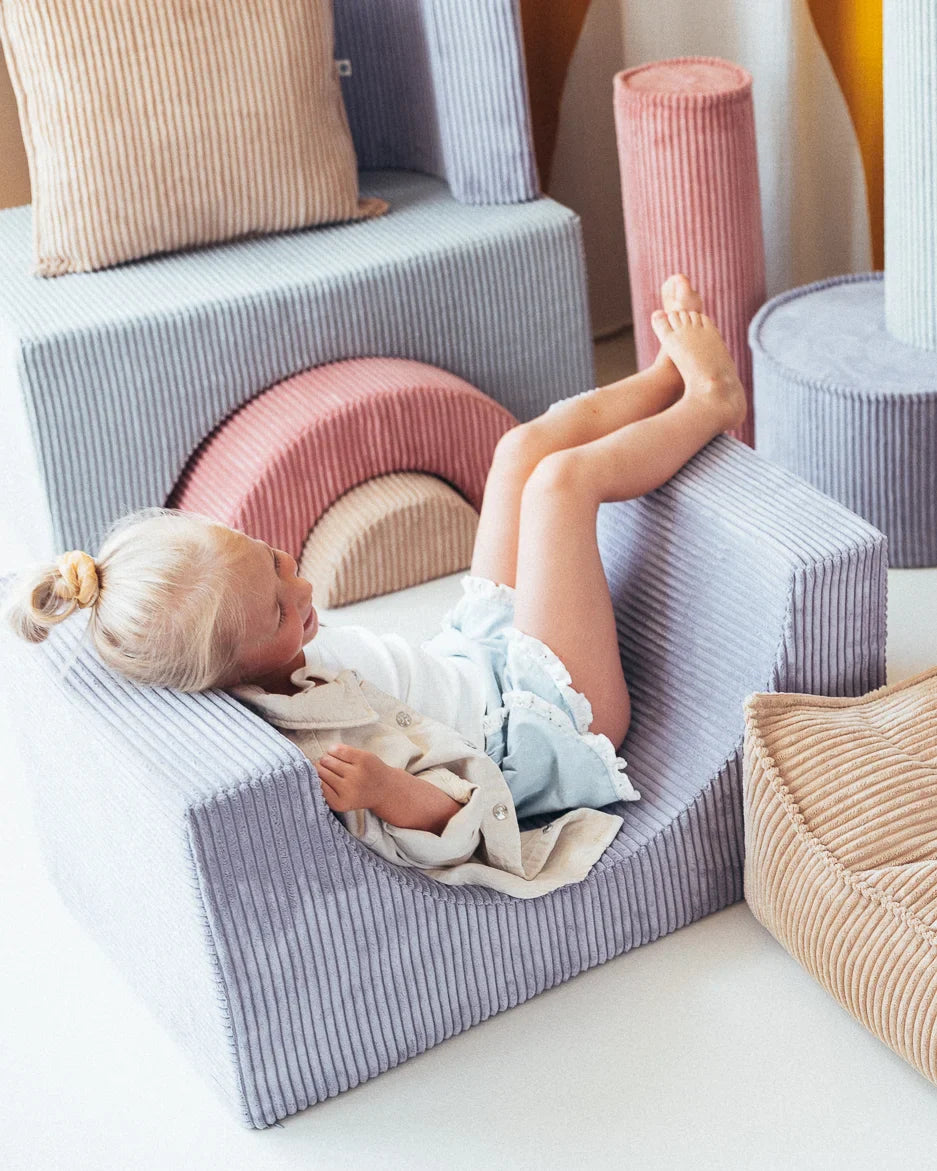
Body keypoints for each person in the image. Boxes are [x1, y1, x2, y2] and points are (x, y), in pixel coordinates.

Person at [3, 276, 745, 875]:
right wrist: (390, 793)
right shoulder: (316, 736)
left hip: (474, 656)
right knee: (560, 486)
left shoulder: (271, 651)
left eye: (274, 560)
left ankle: (661, 380)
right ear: (234, 671)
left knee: (517, 451)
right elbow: (462, 824)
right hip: (538, 731)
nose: (302, 587)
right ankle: (712, 402)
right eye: (278, 610)